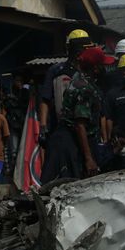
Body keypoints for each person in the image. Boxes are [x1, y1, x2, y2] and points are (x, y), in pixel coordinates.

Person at [41, 46, 112, 181]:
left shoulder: (79, 79)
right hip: (70, 144)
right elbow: (80, 125)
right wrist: (88, 158)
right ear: (95, 68)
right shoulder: (85, 88)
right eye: (102, 65)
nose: (105, 69)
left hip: (69, 141)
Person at [38, 29, 93, 147]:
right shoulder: (56, 71)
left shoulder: (90, 71)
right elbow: (45, 100)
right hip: (61, 130)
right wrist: (42, 128)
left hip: (87, 130)